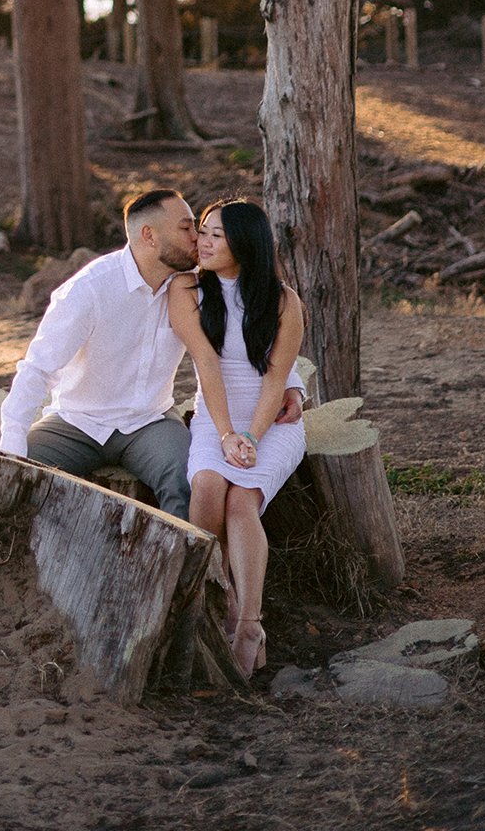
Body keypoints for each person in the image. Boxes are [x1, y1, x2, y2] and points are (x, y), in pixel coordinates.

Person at [0, 188, 303, 521]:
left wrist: (291, 383)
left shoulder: (190, 288)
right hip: (77, 423)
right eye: (187, 228)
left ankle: (183, 570)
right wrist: (12, 443)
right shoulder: (89, 290)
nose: (198, 238)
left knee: (187, 479)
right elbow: (37, 369)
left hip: (150, 422)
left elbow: (247, 340)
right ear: (149, 236)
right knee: (11, 478)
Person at [169, 198, 306, 680]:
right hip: (214, 416)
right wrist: (227, 434)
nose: (200, 242)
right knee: (207, 485)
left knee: (241, 500)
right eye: (201, 232)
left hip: (272, 423)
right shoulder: (186, 290)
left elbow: (275, 378)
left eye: (214, 235)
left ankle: (249, 624)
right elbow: (207, 366)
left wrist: (252, 434)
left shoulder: (284, 300)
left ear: (244, 244)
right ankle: (218, 593)